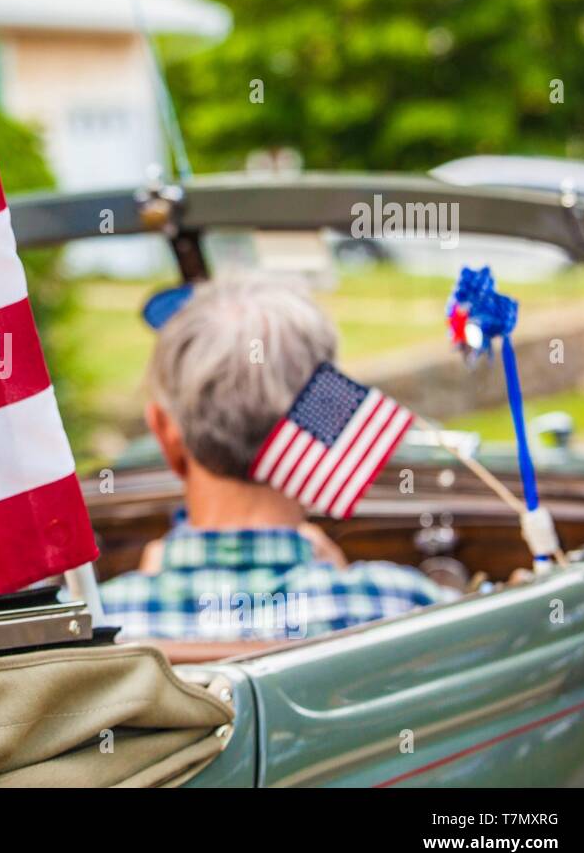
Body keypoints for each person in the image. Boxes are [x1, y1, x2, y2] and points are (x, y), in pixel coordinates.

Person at [99, 274, 457, 643]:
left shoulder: (103, 628)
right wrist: (340, 576)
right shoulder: (401, 606)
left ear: (164, 431)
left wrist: (146, 585)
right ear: (326, 415)